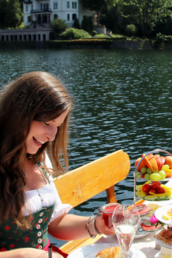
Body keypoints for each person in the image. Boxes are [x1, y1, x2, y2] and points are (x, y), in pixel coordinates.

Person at [0, 71, 114, 258]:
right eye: (46, 123)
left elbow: (55, 224)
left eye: (58, 127)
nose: (52, 137)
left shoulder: (40, 158)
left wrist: (96, 225)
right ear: (18, 115)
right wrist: (20, 255)